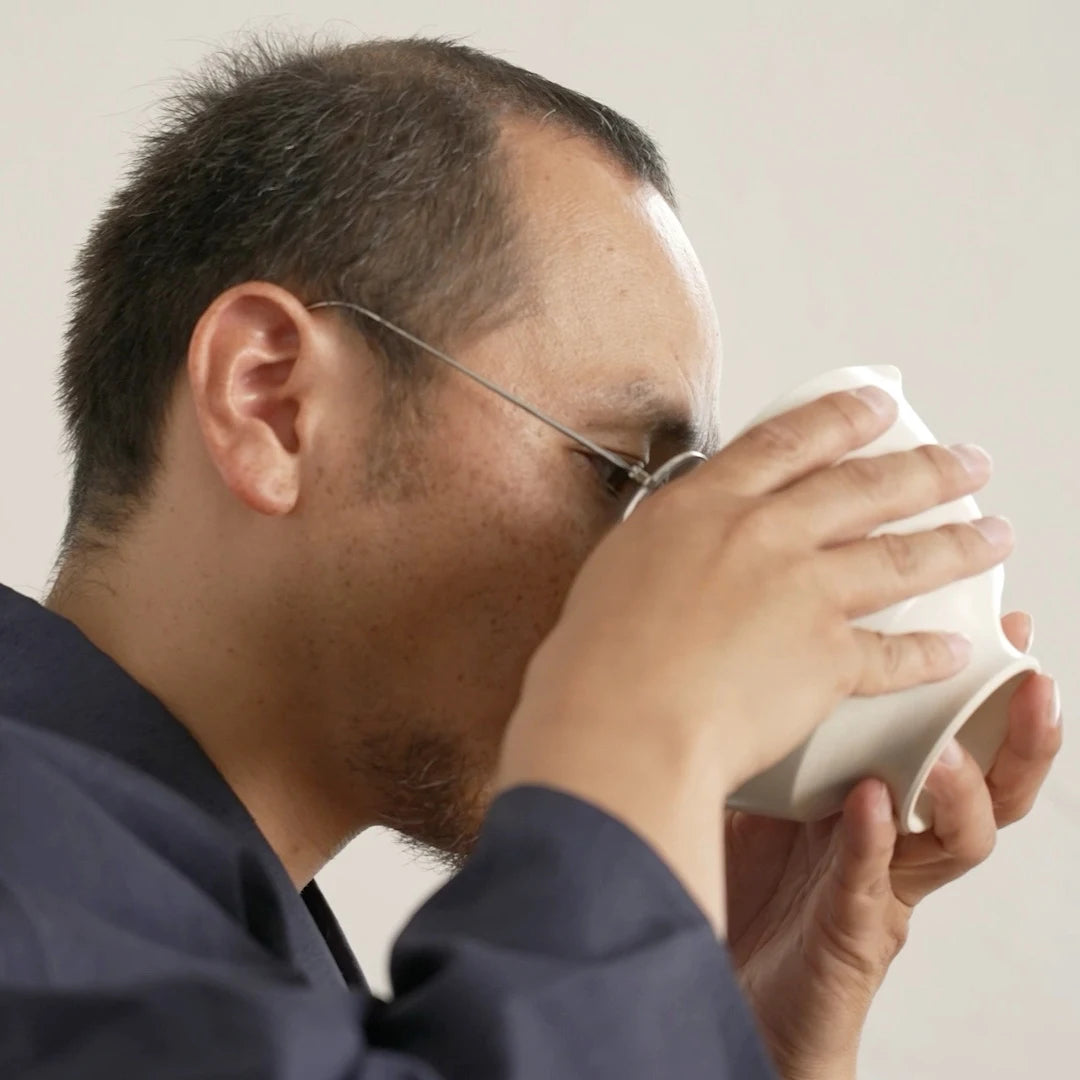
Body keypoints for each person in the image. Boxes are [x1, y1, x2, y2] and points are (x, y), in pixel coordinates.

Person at [0, 34, 1061, 1080]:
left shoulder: (202, 946)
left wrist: (706, 1026)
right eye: (625, 475)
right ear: (272, 401)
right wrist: (640, 759)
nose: (654, 576)